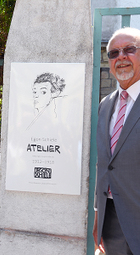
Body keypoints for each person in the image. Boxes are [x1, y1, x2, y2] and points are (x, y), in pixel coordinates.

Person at [93, 27, 140, 255]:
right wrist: (97, 216)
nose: (121, 57)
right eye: (114, 53)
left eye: (129, 49)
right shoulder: (105, 105)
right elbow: (104, 165)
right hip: (110, 219)